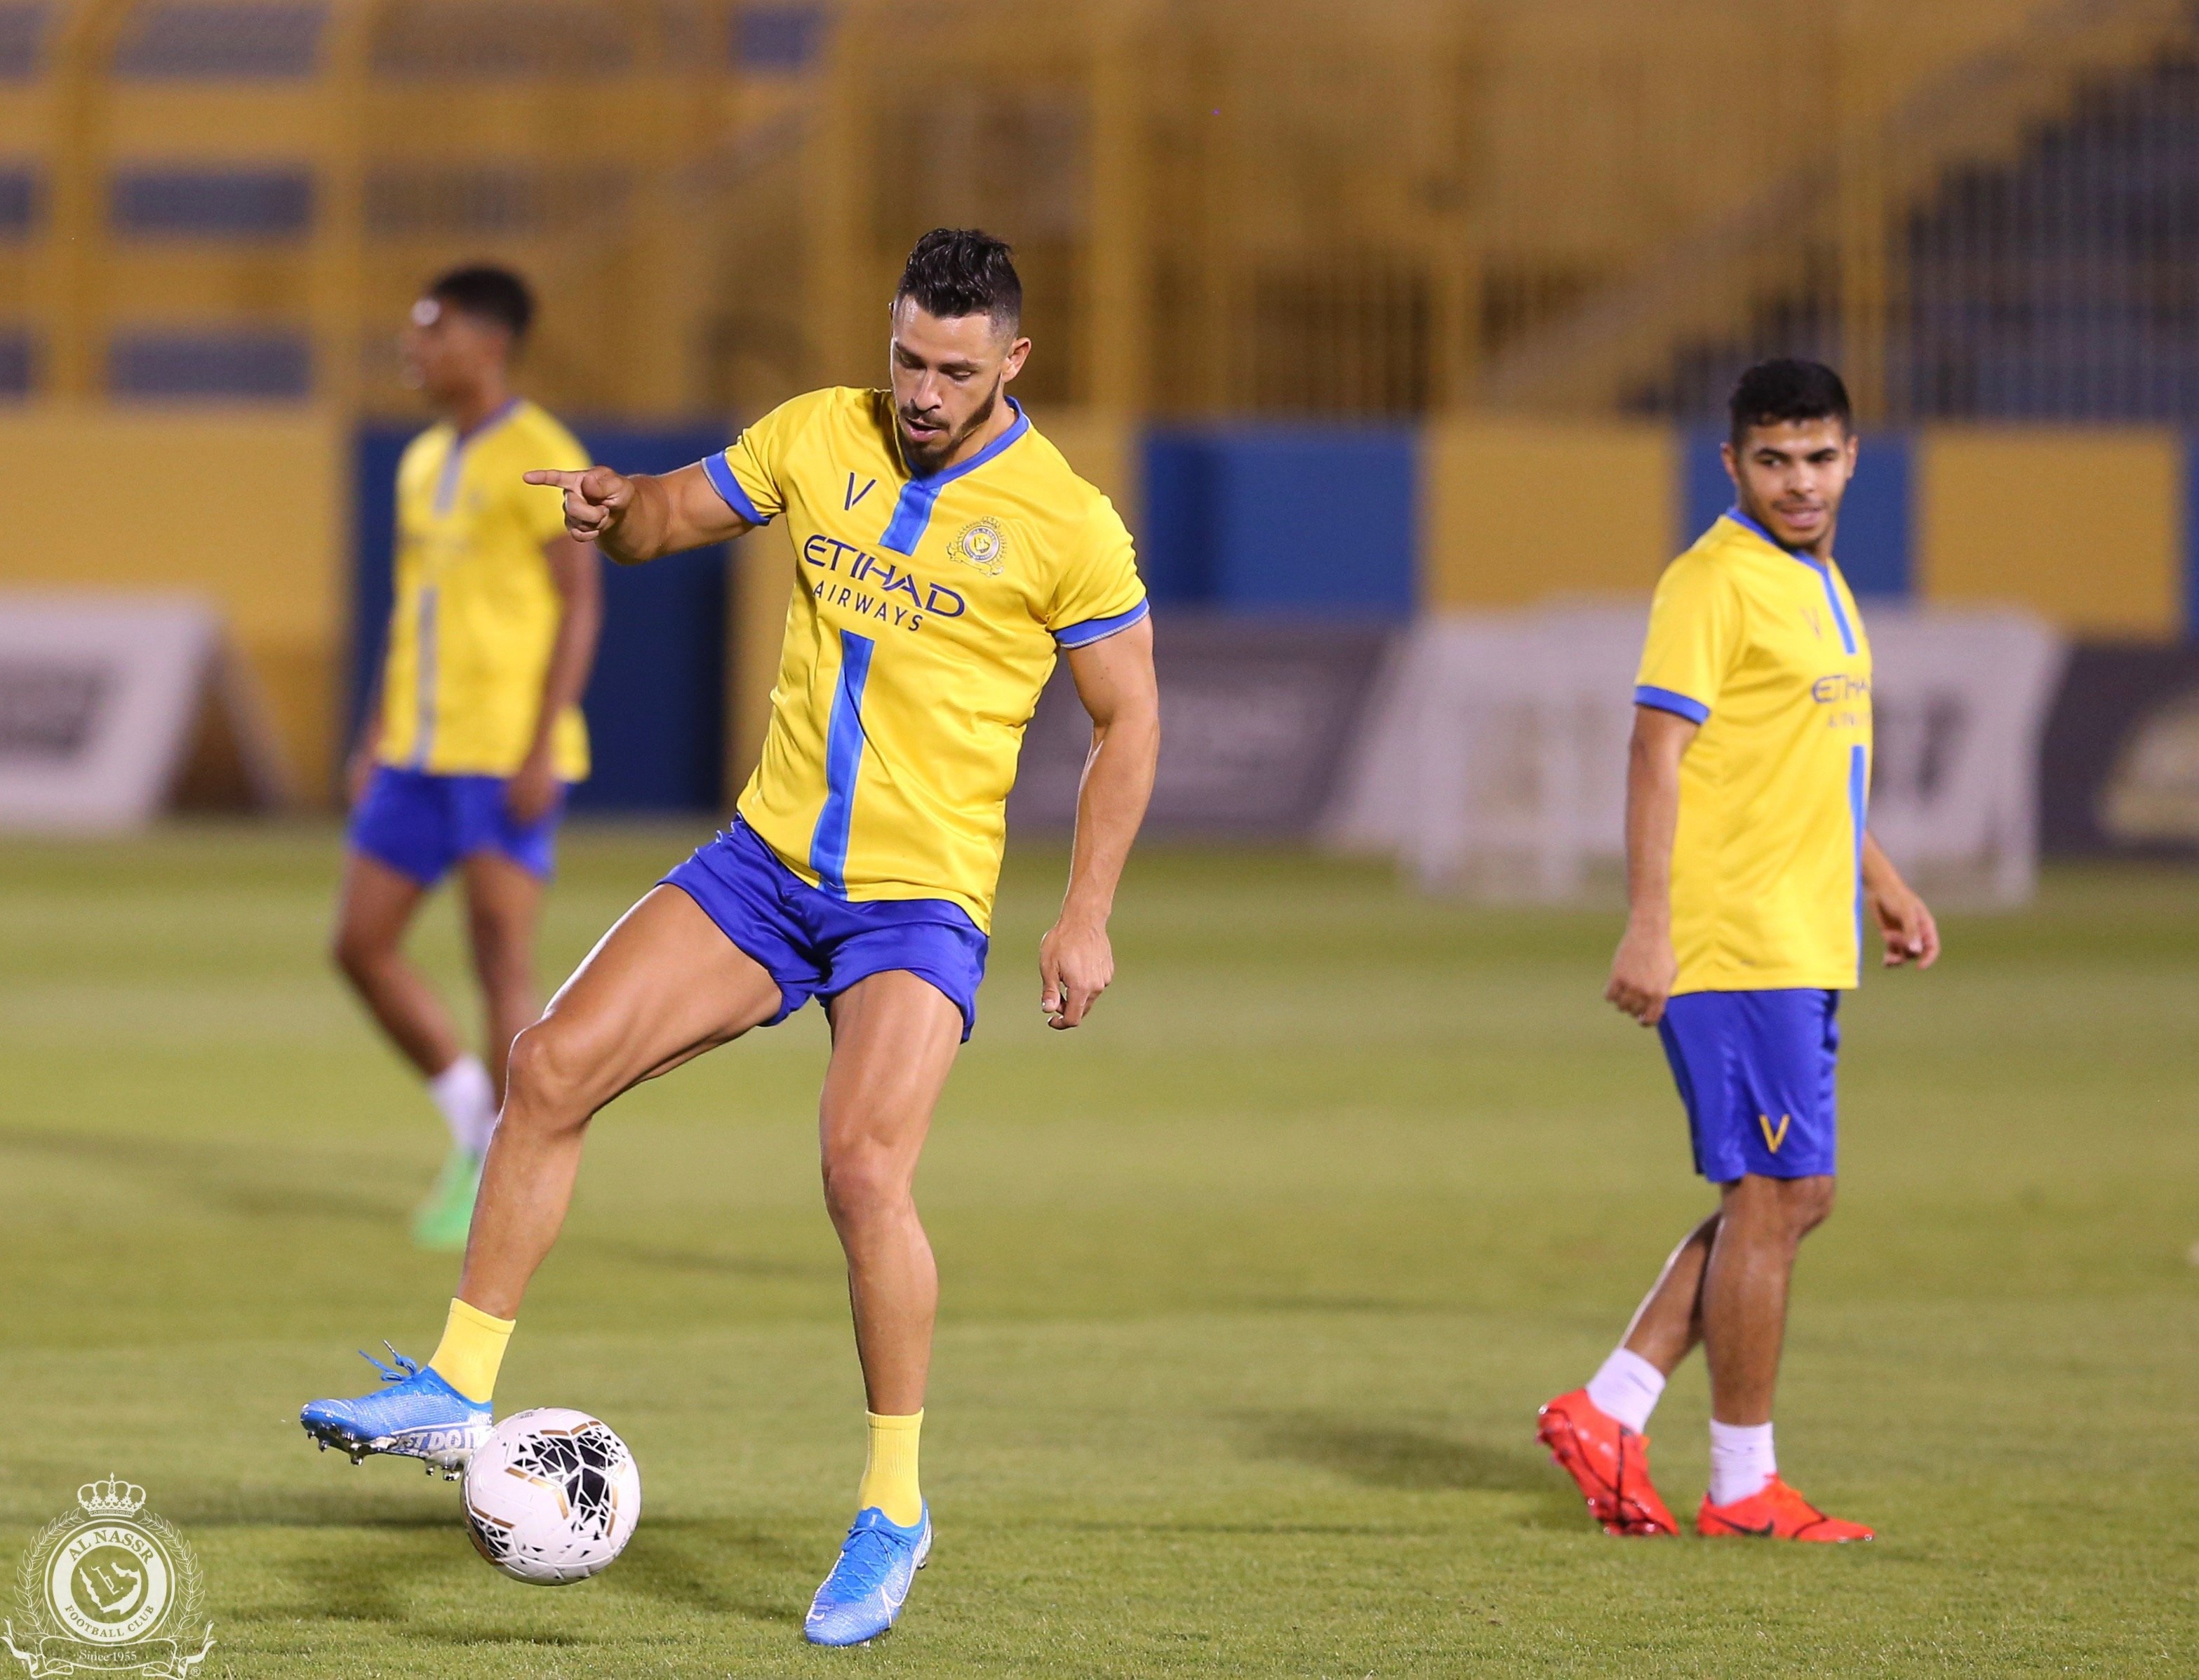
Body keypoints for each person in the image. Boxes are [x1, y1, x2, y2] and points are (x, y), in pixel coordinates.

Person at [301, 229, 1161, 1645]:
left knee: (861, 1169)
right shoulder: (820, 434)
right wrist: (612, 505)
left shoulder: (1066, 522)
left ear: (1012, 362)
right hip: (764, 869)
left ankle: (892, 1505)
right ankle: (458, 1388)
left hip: (917, 900)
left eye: (955, 369)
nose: (924, 391)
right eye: (907, 359)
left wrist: (1084, 914)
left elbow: (1133, 722)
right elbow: (667, 521)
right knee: (551, 1063)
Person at [1536, 359, 1939, 1543]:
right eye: (1772, 459)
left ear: (1852, 457)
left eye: (1818, 457)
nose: (1798, 480)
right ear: (1731, 465)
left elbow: (1809, 765)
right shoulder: (1712, 580)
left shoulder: (1815, 579)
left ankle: (1610, 1406)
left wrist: (1881, 880)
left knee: (1792, 1191)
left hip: (1799, 930)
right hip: (1732, 934)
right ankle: (1740, 1484)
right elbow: (1653, 753)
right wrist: (1649, 924)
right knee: (1767, 1194)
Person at [332, 266, 602, 1251]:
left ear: (486, 343)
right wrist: (373, 733)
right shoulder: (421, 461)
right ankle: (467, 1117)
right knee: (358, 944)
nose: (413, 348)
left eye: (429, 330)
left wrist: (541, 742)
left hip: (502, 755)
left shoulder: (541, 455)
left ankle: (502, 1165)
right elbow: (415, 613)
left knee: (501, 961)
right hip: (416, 750)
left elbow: (580, 601)